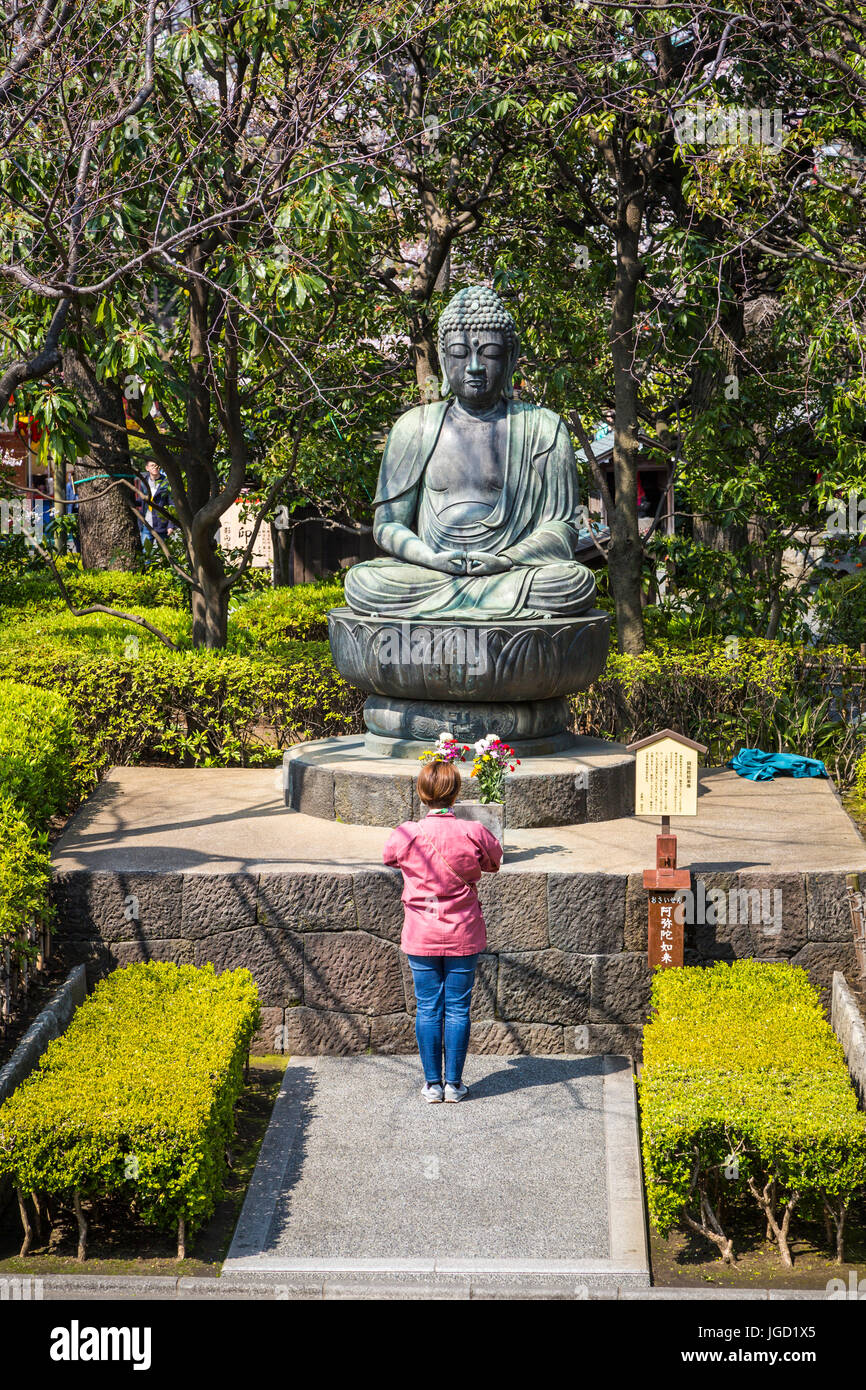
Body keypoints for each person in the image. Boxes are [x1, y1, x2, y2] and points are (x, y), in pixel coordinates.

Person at [382, 760, 502, 1103]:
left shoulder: (407, 833)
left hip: (421, 932)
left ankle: (432, 1085)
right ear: (456, 792)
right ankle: (454, 1084)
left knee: (428, 1007)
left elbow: (389, 857)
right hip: (463, 931)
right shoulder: (474, 831)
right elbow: (494, 861)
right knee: (459, 1008)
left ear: (422, 794)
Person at [136, 460, 172, 543]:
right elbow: (141, 501)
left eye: (156, 465)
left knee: (165, 553)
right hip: (146, 525)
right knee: (146, 554)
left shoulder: (166, 482)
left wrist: (170, 525)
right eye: (152, 465)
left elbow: (172, 504)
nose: (155, 467)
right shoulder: (143, 482)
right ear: (147, 468)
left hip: (162, 525)